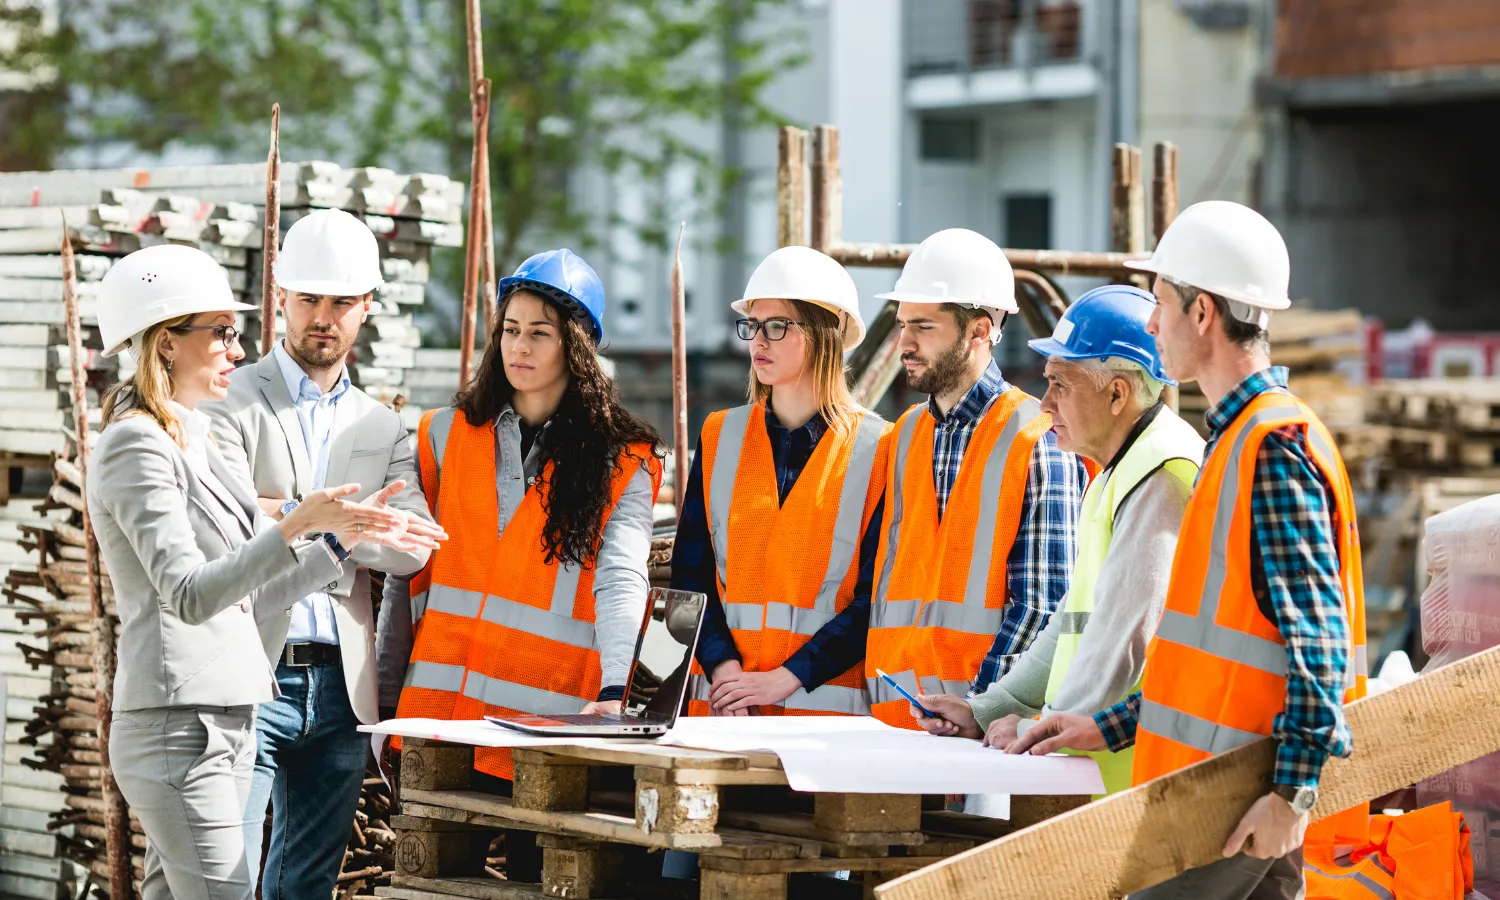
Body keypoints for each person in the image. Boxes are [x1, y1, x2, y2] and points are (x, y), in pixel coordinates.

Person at [1008, 201, 1369, 899]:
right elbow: (1209, 664)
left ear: (1202, 313)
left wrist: (1291, 796)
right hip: (1211, 792)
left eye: (1161, 303)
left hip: (1233, 802)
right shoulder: (1238, 444)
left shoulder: (1273, 448)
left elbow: (1318, 641)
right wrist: (1102, 725)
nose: (1151, 324)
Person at [86, 244, 439, 900]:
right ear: (167, 343)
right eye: (221, 332)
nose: (237, 349)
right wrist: (294, 525)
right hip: (179, 725)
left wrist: (336, 543)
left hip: (216, 719)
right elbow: (191, 595)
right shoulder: (134, 443)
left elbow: (246, 594)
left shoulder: (185, 440)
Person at [201, 209, 442, 900]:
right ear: (280, 298)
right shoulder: (229, 402)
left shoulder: (382, 422)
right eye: (308, 299)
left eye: (341, 302)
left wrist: (291, 518)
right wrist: (347, 527)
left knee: (305, 884)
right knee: (227, 875)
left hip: (340, 687)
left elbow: (412, 550)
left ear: (367, 308)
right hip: (248, 671)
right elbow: (224, 533)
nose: (323, 317)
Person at [908, 285, 1203, 797]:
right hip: (1107, 776)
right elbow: (1072, 625)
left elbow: (1122, 643)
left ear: (1117, 394)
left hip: (1140, 787)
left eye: (1060, 385)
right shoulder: (1119, 471)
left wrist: (1041, 727)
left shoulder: (1161, 474)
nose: (1045, 404)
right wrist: (990, 710)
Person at [385, 248, 663, 780]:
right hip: (439, 719)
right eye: (510, 329)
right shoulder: (442, 435)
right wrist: (381, 691)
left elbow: (623, 578)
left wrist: (612, 689)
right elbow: (407, 577)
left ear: (576, 346)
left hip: (545, 724)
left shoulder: (624, 460)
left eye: (539, 332)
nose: (519, 346)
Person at [863, 228, 1089, 728]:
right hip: (893, 722)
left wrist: (981, 708)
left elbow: (1042, 606)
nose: (904, 343)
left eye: (923, 326)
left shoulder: (1037, 440)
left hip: (985, 733)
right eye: (902, 325)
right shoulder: (903, 437)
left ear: (980, 331)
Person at [673, 246, 888, 717]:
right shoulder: (719, 435)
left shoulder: (881, 450)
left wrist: (786, 679)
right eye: (752, 326)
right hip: (722, 714)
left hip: (824, 726)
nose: (757, 342)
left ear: (824, 333)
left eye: (776, 326)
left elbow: (876, 600)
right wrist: (724, 669)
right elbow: (689, 578)